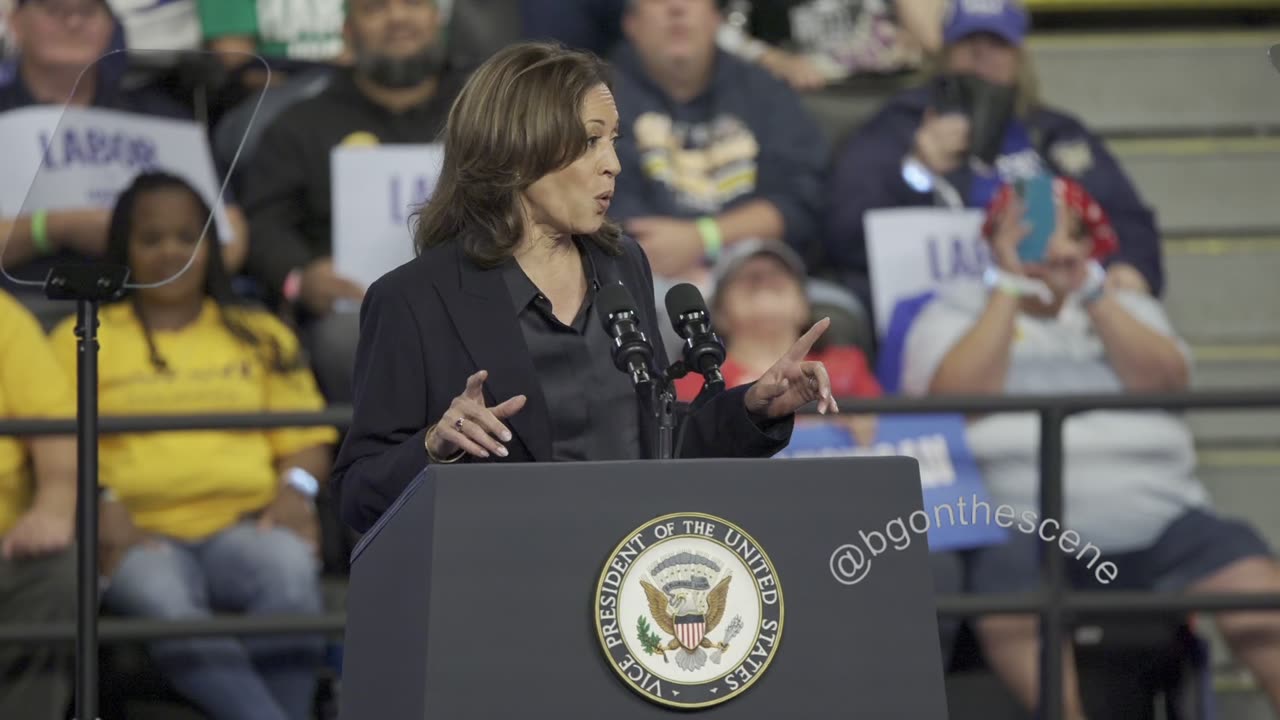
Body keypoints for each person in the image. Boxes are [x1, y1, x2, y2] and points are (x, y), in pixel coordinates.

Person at [332, 41, 838, 533]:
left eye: (614, 140)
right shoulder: (415, 298)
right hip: (503, 586)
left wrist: (754, 408)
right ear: (520, 148)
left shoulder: (622, 264)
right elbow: (357, 495)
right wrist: (434, 447)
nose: (613, 163)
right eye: (591, 140)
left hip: (630, 575)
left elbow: (654, 441)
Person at [902, 178, 1280, 717]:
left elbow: (1167, 382)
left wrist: (1092, 292)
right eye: (1028, 233)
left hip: (1163, 520)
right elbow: (956, 398)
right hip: (1027, 530)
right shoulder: (952, 312)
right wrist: (1009, 286)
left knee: (1260, 593)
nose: (1050, 247)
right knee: (1011, 605)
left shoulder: (1125, 305)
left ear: (1089, 244)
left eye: (1067, 233)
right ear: (994, 241)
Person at [49, 171, 338, 720]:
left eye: (188, 237)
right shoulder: (80, 335)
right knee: (162, 600)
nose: (171, 253)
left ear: (211, 247)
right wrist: (101, 502)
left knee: (290, 574)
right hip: (137, 535)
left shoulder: (260, 333)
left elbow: (306, 439)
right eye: (152, 239)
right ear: (124, 248)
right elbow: (55, 447)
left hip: (247, 525)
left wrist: (296, 491)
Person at [824, 0, 1162, 320]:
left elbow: (1126, 216)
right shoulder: (897, 126)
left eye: (996, 42)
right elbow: (843, 233)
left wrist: (1130, 265)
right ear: (945, 53)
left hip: (1055, 305)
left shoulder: (1055, 133)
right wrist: (914, 172)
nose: (980, 52)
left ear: (1019, 58)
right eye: (968, 40)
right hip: (935, 308)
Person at [242, 0, 462, 403]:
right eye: (375, 8)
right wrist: (299, 279)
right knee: (348, 339)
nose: (397, 18)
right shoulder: (300, 125)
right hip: (359, 312)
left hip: (477, 295)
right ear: (347, 31)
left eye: (413, 3)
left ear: (436, 18)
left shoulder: (485, 111)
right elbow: (264, 222)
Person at [0, 0, 249, 300]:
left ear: (110, 27)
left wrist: (156, 247)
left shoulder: (162, 119)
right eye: (54, 10)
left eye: (88, 12)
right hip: (17, 313)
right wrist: (53, 228)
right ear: (14, 22)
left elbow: (230, 239)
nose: (73, 23)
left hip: (145, 314)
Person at [0, 288, 76, 720]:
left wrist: (53, 505)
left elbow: (53, 423)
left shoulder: (4, 320)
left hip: (5, 546)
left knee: (57, 572)